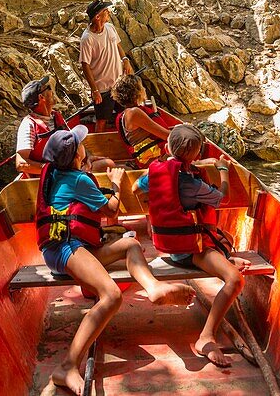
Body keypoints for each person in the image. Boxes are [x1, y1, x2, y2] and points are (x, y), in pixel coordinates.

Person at [36, 126, 192, 394]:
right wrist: (116, 183)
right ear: (75, 158)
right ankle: (67, 366)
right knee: (111, 295)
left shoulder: (54, 172)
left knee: (131, 245)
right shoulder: (79, 180)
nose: (84, 145)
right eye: (80, 146)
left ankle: (153, 288)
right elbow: (112, 210)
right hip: (64, 247)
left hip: (64, 244)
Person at [137, 124, 253, 367]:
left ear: (167, 147)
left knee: (225, 241)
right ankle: (206, 336)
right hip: (190, 251)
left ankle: (225, 259)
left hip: (167, 244)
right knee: (235, 280)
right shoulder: (193, 185)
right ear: (197, 154)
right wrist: (222, 171)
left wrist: (149, 217)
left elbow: (137, 187)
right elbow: (223, 198)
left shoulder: (156, 172)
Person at [15, 76, 114, 175]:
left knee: (108, 164)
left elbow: (72, 140)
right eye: (49, 88)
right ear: (41, 97)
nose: (52, 90)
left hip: (71, 168)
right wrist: (54, 171)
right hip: (52, 176)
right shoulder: (28, 125)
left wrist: (88, 157)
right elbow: (21, 164)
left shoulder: (55, 116)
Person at [79, 0, 132, 132]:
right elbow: (85, 65)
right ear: (97, 17)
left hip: (119, 83)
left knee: (128, 113)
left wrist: (125, 59)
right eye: (105, 11)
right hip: (103, 88)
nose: (108, 13)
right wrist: (95, 90)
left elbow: (118, 45)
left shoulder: (110, 28)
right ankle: (97, 146)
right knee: (102, 120)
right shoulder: (87, 39)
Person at [111, 74, 169, 168]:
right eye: (142, 86)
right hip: (153, 160)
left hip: (152, 157)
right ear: (136, 92)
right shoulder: (134, 113)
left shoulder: (126, 114)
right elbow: (167, 136)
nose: (144, 89)